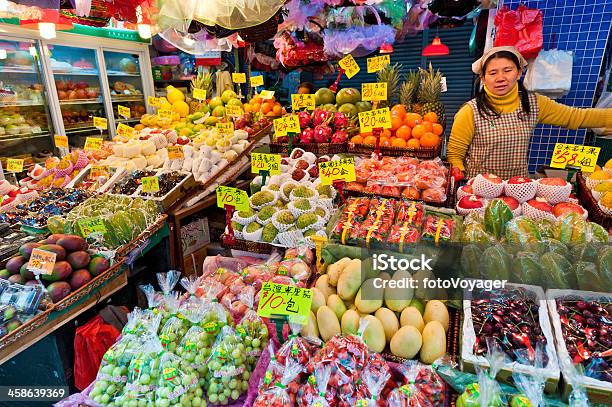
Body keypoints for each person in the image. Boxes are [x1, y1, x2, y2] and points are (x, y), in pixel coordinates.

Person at [447, 46, 612, 180]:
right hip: (479, 188)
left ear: (519, 72)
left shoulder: (535, 103)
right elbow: (455, 154)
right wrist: (461, 178)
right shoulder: (470, 111)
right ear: (483, 78)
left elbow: (575, 117)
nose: (500, 78)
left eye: (507, 70)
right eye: (493, 73)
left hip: (518, 187)